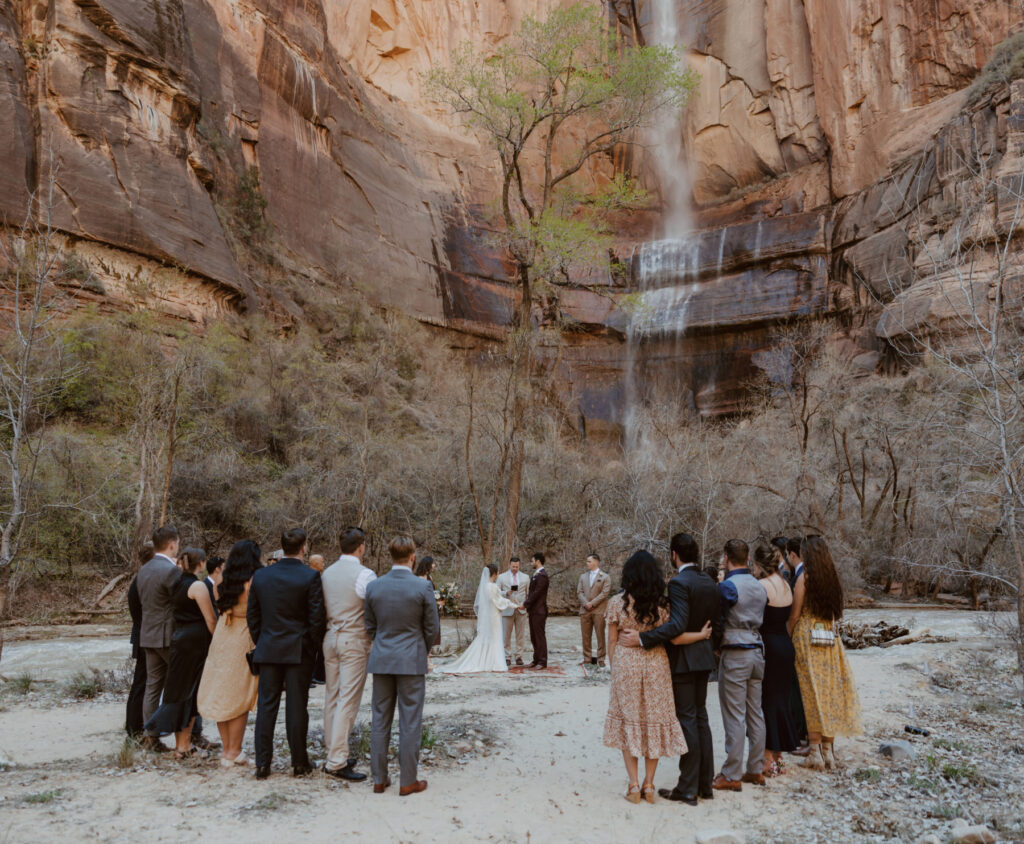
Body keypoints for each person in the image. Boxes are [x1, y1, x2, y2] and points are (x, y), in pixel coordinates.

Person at [619, 533, 722, 805]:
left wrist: (642, 639)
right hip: (705, 660)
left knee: (688, 720)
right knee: (701, 720)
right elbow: (717, 624)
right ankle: (705, 786)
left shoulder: (678, 583)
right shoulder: (708, 581)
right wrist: (709, 643)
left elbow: (676, 626)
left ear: (674, 554)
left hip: (684, 661)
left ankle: (687, 789)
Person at [247, 528, 326, 778]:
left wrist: (262, 640)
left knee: (266, 706)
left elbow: (253, 615)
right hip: (298, 650)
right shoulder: (310, 577)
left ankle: (262, 763)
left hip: (268, 647)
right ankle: (299, 763)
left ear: (282, 548)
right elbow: (317, 619)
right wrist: (311, 647)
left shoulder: (261, 576)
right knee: (296, 706)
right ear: (303, 548)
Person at [364, 536, 439, 796]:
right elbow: (432, 627)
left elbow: (370, 625)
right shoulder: (422, 587)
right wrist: (422, 647)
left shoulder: (374, 586)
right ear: (412, 557)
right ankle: (407, 780)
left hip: (382, 658)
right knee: (410, 721)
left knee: (379, 719)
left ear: (390, 556)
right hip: (411, 659)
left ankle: (379, 778)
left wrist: (382, 643)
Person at [790, 536, 862, 770]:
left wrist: (786, 635)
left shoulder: (805, 578)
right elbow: (836, 614)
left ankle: (814, 752)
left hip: (807, 638)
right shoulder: (833, 578)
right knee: (829, 692)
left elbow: (795, 614)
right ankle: (829, 752)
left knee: (811, 692)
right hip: (829, 638)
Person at [143, 548, 217, 758]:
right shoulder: (198, 586)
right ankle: (184, 746)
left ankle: (181, 745)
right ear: (201, 564)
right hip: (195, 642)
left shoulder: (175, 584)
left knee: (177, 690)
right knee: (189, 693)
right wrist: (217, 644)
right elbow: (210, 619)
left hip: (179, 638)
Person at [198, 540, 262, 768]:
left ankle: (227, 748)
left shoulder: (220, 581)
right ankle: (233, 751)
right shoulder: (253, 581)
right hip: (243, 636)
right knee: (239, 696)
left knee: (221, 691)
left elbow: (220, 609)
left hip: (222, 636)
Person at [712, 540, 768, 792]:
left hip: (736, 652)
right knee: (755, 712)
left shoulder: (728, 587)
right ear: (747, 558)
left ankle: (732, 773)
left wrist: (715, 646)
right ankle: (755, 769)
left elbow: (719, 620)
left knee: (734, 714)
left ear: (726, 558)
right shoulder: (759, 585)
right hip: (757, 649)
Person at [321, 527, 376, 782]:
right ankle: (337, 760)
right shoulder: (365, 574)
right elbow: (372, 607)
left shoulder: (327, 573)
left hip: (330, 637)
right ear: (361, 546)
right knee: (348, 700)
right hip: (353, 639)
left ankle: (333, 751)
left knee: (331, 696)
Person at [751, 544, 799, 777]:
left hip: (769, 645)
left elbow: (755, 618)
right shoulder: (786, 585)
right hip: (786, 646)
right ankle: (778, 757)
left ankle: (767, 758)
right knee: (780, 700)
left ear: (759, 565)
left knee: (767, 700)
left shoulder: (761, 586)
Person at [136, 525, 184, 752]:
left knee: (152, 687)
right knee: (183, 685)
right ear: (172, 544)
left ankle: (150, 737)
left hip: (148, 634)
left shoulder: (143, 570)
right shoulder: (172, 571)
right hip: (168, 635)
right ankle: (187, 737)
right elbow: (181, 603)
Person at [440, 564, 517, 674]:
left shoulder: (484, 586)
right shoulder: (493, 586)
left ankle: (487, 660)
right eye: (498, 572)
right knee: (495, 637)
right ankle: (495, 663)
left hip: (488, 616)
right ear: (495, 573)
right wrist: (515, 605)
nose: (499, 573)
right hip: (494, 616)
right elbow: (499, 601)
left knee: (487, 638)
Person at [126, 542, 155, 739]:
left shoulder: (140, 578)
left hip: (143, 635)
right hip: (146, 636)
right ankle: (134, 728)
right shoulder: (143, 580)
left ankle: (134, 724)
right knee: (141, 682)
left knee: (142, 682)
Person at [785, 536, 809, 754]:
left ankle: (801, 733)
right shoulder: (818, 573)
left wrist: (787, 635)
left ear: (793, 554)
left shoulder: (801, 576)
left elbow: (795, 614)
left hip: (801, 634)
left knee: (799, 683)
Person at [577, 553, 611, 667]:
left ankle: (601, 659)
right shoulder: (583, 576)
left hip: (599, 610)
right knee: (585, 636)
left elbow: (605, 593)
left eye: (589, 561)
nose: (587, 563)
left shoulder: (605, 577)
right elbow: (579, 592)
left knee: (600, 635)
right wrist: (586, 603)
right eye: (587, 561)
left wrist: (592, 603)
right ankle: (587, 658)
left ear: (596, 562)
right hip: (584, 610)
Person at [496, 557, 528, 666]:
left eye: (517, 567)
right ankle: (507, 656)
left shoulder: (525, 577)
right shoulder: (501, 577)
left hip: (521, 609)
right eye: (513, 566)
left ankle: (519, 656)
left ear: (519, 566)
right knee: (506, 635)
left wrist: (526, 605)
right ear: (509, 565)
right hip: (507, 609)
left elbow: (528, 594)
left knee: (520, 635)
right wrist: (506, 593)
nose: (515, 568)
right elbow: (496, 593)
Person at [524, 552, 549, 669]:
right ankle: (536, 659)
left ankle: (542, 661)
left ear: (538, 561)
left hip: (539, 610)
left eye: (532, 560)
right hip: (533, 610)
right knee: (533, 636)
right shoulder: (536, 574)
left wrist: (525, 604)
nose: (531, 563)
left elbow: (537, 593)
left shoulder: (542, 575)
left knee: (539, 636)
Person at [415, 556, 443, 654]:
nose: (434, 565)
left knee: (432, 631)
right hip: (424, 608)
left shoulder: (430, 577)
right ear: (428, 565)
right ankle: (424, 657)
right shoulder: (419, 578)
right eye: (432, 563)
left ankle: (428, 657)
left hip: (432, 607)